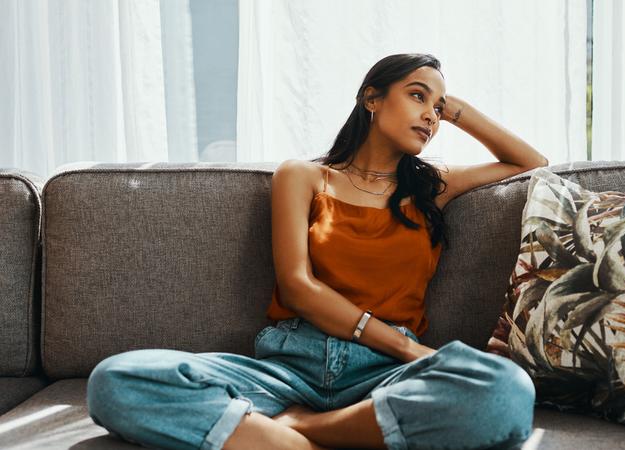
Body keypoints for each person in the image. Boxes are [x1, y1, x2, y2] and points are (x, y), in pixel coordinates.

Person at [86, 53, 549, 450]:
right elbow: (298, 286)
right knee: (115, 380)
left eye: (438, 107)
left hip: (383, 378)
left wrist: (456, 109)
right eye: (417, 95)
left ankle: (302, 431)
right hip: (290, 366)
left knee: (506, 391)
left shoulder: (433, 187)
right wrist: (407, 347)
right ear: (371, 98)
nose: (431, 116)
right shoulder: (303, 177)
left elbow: (530, 162)